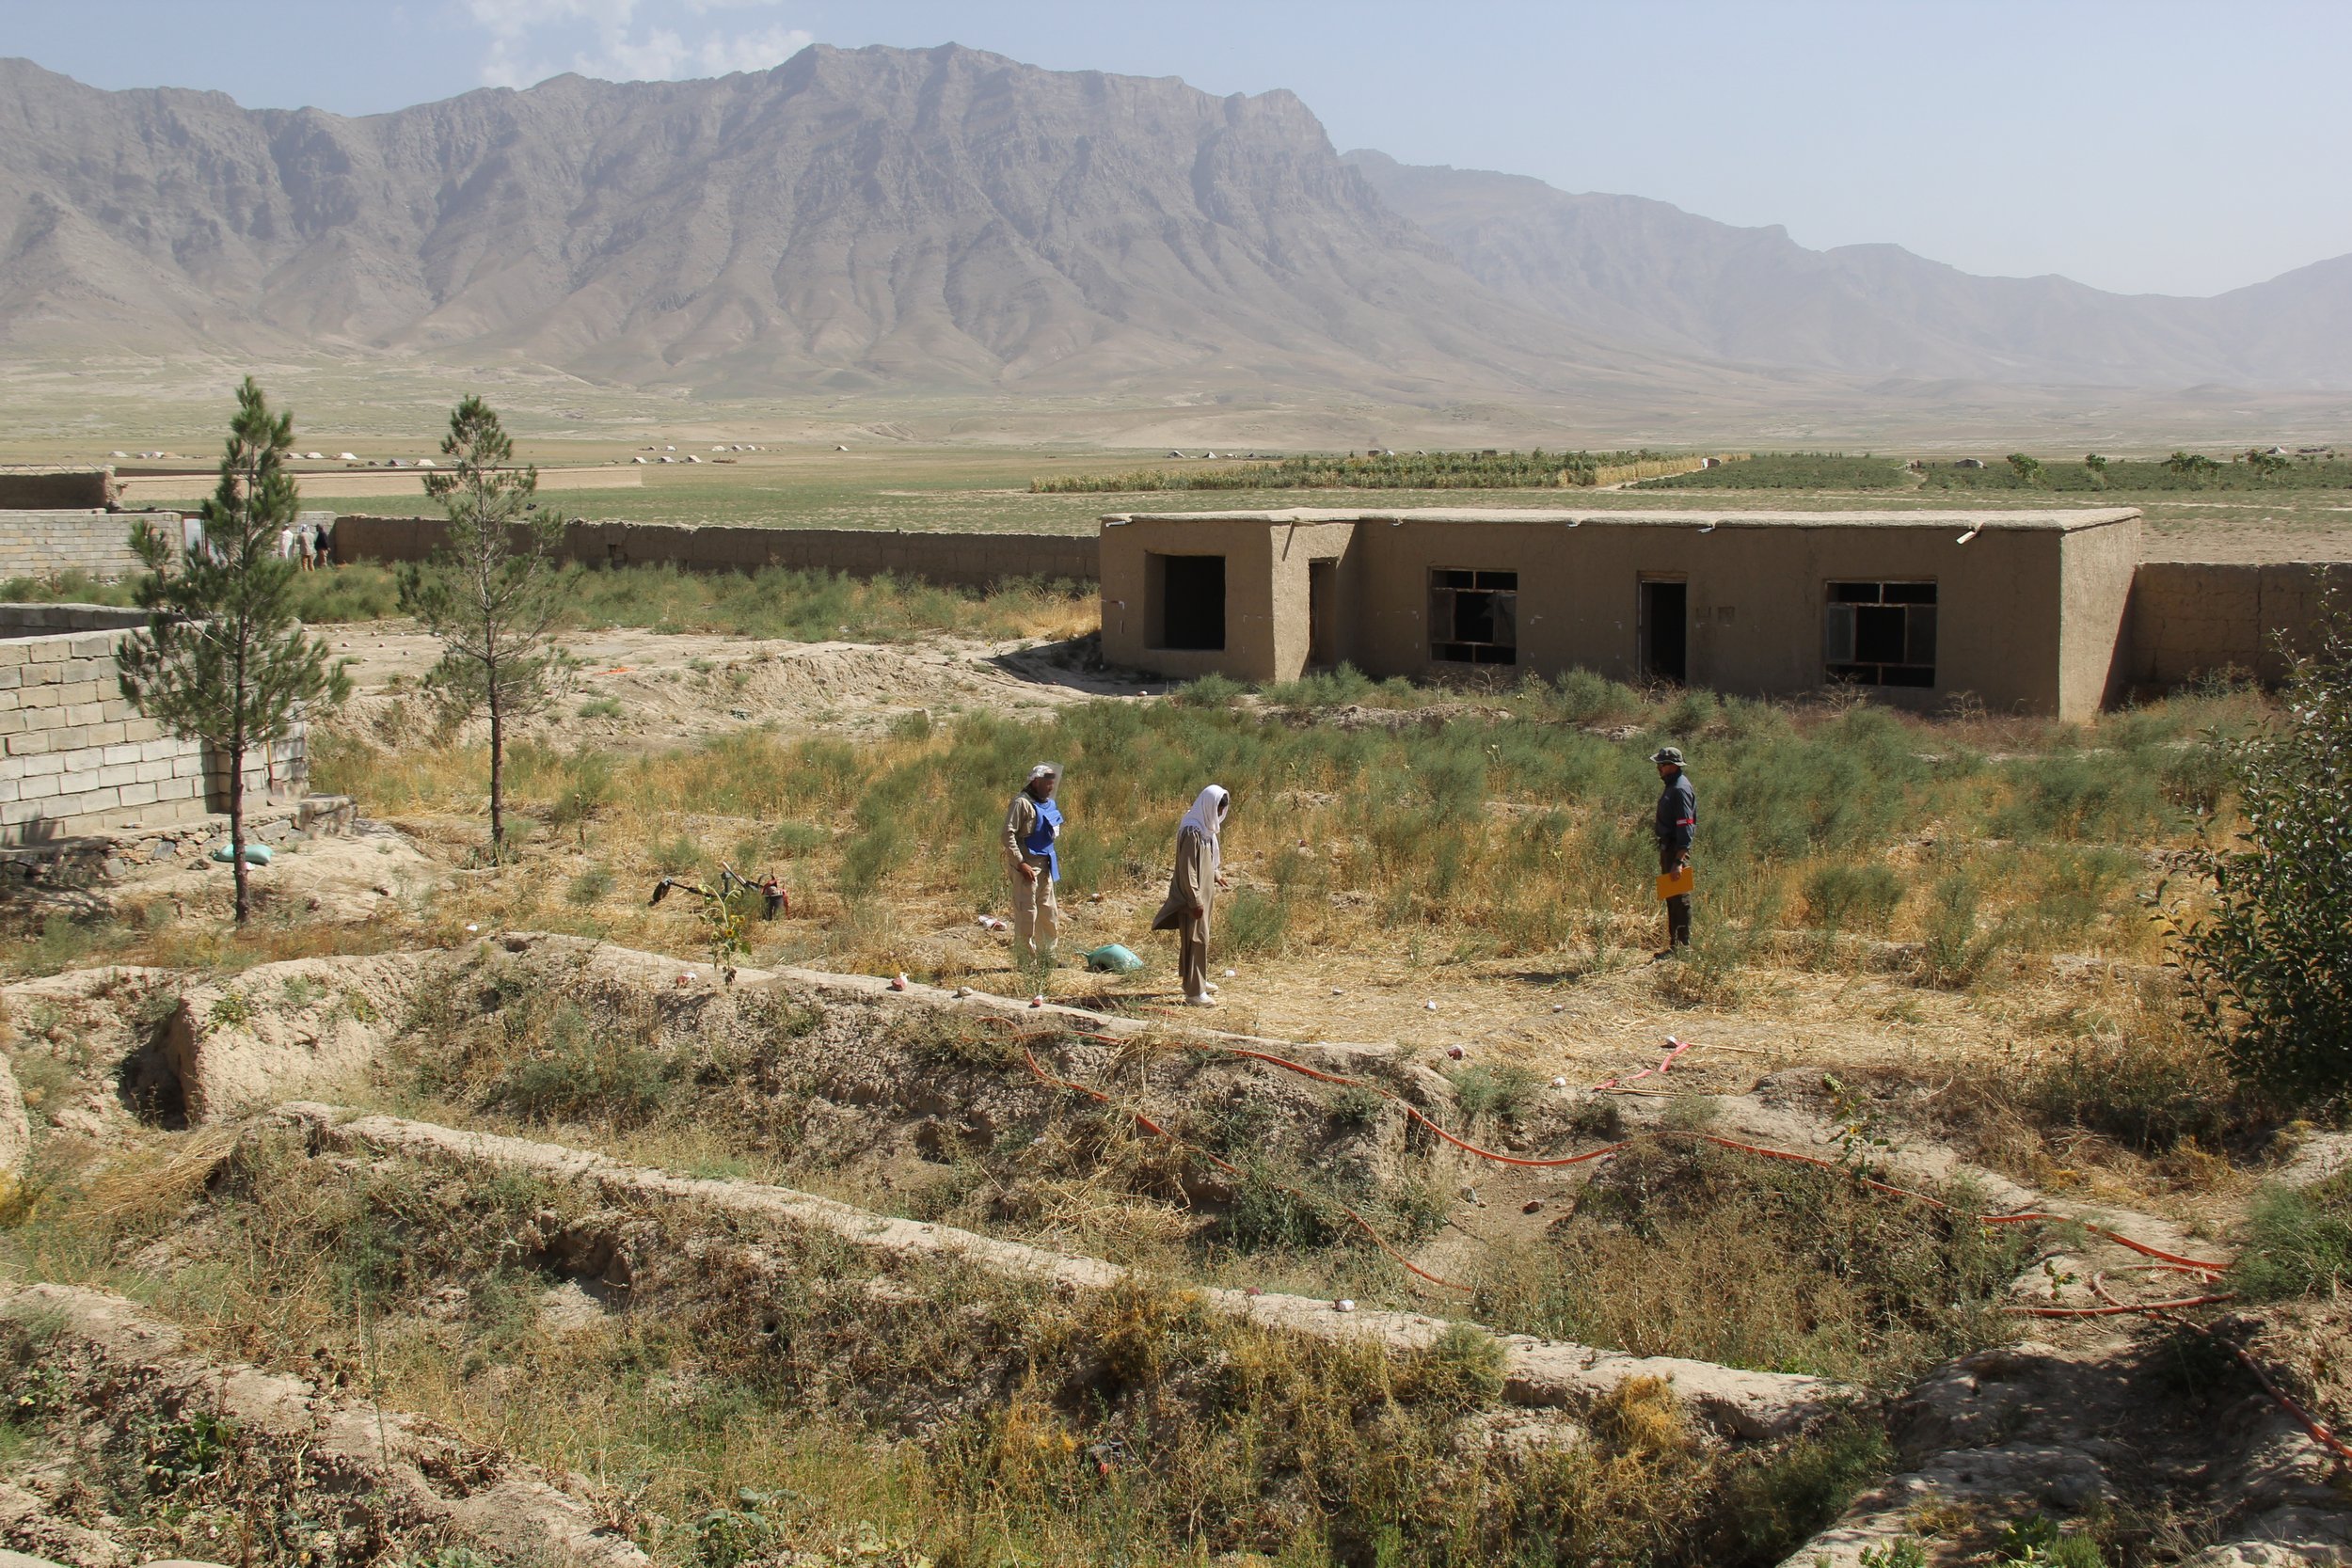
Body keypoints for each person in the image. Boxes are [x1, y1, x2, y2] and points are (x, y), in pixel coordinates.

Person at [1153, 785, 1230, 1006]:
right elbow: (1189, 870)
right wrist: (1195, 899)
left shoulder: (1205, 829)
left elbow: (1205, 859)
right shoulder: (1192, 830)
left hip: (1204, 893)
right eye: (1218, 809)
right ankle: (1194, 992)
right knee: (1195, 938)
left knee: (1202, 937)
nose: (1219, 814)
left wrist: (1215, 873)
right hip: (1193, 896)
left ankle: (1199, 980)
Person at [1002, 762, 1064, 972]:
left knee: (1048, 914)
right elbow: (1007, 834)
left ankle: (1048, 956)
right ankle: (1027, 962)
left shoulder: (1048, 803)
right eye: (1047, 782)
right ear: (1036, 781)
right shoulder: (1021, 804)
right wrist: (1020, 863)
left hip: (1046, 865)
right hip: (1027, 867)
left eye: (1052, 782)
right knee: (1027, 915)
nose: (1051, 786)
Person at [1651, 746, 1696, 956]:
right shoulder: (1672, 786)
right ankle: (1674, 947)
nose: (1658, 768)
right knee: (1672, 898)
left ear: (1672, 766)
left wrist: (1678, 861)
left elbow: (1686, 826)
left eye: (1662, 764)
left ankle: (1683, 948)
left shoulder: (1680, 789)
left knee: (1680, 900)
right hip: (1668, 849)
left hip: (1676, 852)